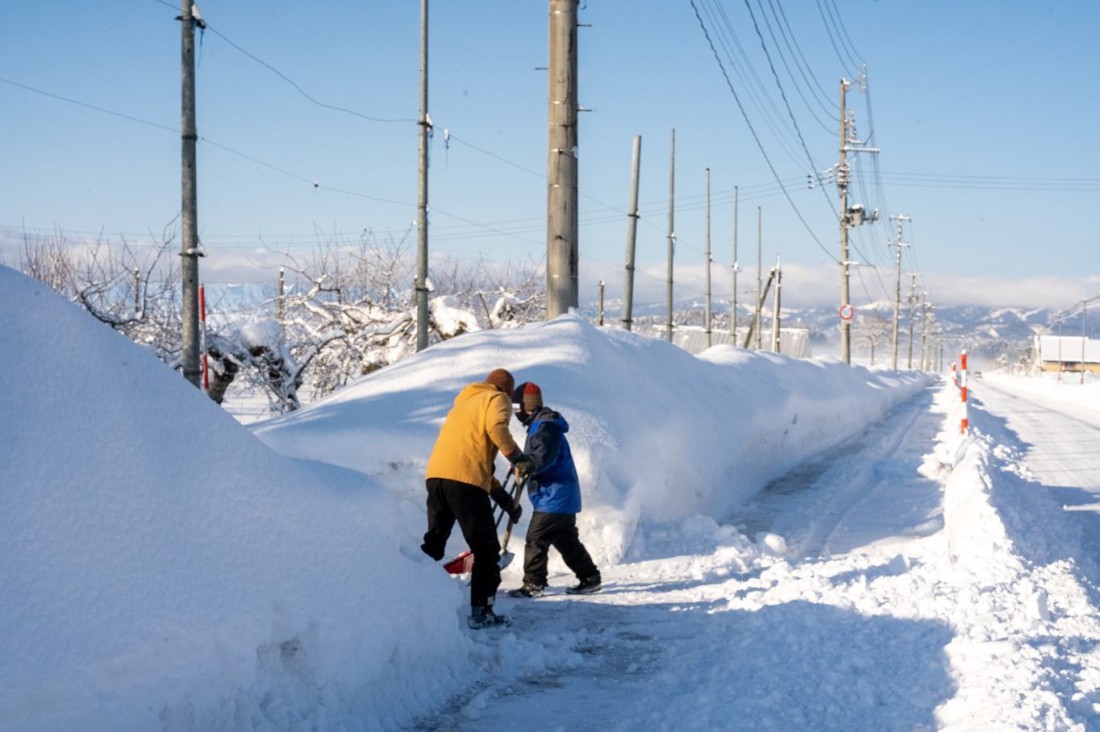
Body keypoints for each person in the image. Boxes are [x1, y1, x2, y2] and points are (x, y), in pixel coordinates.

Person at [421, 368, 536, 629]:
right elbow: (496, 427)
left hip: (437, 477)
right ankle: (482, 611)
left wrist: (504, 500)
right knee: (486, 550)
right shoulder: (497, 399)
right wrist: (518, 458)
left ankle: (410, 595)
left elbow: (473, 463)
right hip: (465, 483)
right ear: (506, 389)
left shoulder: (463, 405)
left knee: (434, 544)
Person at [507, 382, 602, 598]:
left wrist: (526, 465)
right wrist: (522, 462)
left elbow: (543, 458)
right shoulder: (541, 424)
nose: (516, 414)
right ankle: (590, 577)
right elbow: (537, 456)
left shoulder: (545, 427)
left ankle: (534, 583)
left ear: (526, 407)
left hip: (554, 496)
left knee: (535, 539)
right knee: (566, 540)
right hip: (561, 495)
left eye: (516, 409)